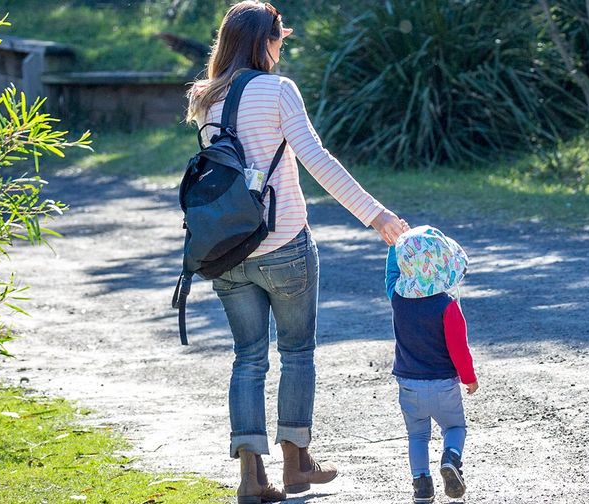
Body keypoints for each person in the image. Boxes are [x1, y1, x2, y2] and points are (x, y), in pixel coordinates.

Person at [184, 2, 411, 502]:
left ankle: (250, 477)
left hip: (225, 250)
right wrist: (376, 215)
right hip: (285, 244)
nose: (281, 47)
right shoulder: (279, 90)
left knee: (247, 357)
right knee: (296, 352)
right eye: (279, 39)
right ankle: (295, 464)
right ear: (265, 41)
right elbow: (316, 160)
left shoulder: (206, 97)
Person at [385, 226, 479, 503]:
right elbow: (459, 349)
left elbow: (391, 274)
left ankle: (422, 486)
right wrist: (469, 378)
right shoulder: (448, 306)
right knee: (455, 428)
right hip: (443, 384)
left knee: (417, 436)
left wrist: (394, 244)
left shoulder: (397, 299)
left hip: (409, 384)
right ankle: (451, 459)